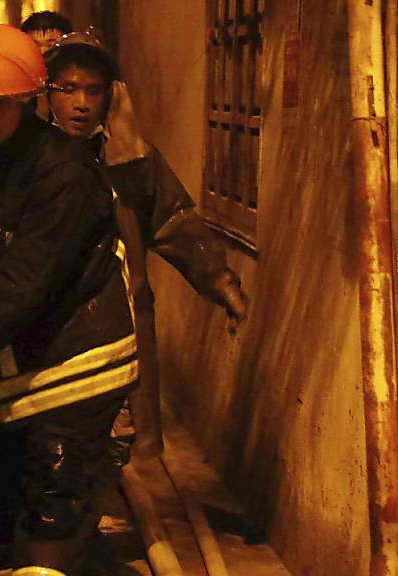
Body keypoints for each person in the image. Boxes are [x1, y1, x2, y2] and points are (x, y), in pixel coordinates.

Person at [0, 25, 138, 576]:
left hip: (77, 364)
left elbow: (24, 280)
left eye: (1, 103)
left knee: (51, 510)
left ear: (27, 99)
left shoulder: (64, 172)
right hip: (10, 368)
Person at [44, 33, 248, 461]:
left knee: (114, 446)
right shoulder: (27, 160)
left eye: (93, 90)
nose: (81, 102)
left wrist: (220, 281)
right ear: (46, 94)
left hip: (119, 330)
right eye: (68, 89)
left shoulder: (130, 162)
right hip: (51, 331)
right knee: (50, 450)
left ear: (110, 96)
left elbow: (174, 220)